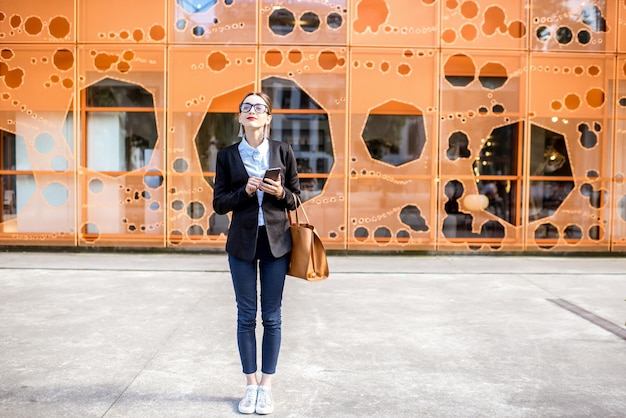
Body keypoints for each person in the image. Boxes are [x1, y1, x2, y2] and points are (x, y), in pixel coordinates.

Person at [212, 92, 300, 415]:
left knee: (272, 316)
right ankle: (250, 387)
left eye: (258, 107)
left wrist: (281, 193)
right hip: (242, 244)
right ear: (240, 118)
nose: (252, 111)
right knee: (245, 315)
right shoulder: (227, 156)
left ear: (268, 118)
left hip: (276, 242)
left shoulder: (283, 151)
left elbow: (296, 197)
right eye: (246, 107)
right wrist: (244, 192)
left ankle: (267, 387)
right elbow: (219, 203)